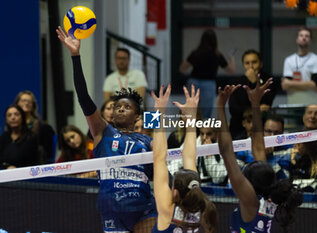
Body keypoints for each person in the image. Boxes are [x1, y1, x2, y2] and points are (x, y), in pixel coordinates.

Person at [56, 26, 156, 232]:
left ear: (137, 115)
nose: (119, 109)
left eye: (126, 107)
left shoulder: (147, 140)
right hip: (113, 210)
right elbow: (83, 98)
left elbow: (161, 170)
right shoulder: (103, 131)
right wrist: (75, 56)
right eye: (117, 106)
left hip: (144, 208)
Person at [217, 82, 303, 233]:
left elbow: (226, 151)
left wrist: (220, 106)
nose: (241, 174)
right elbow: (258, 146)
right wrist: (255, 105)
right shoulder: (267, 194)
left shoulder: (249, 201)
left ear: (248, 184)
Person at [151, 84, 217, 233]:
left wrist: (157, 112)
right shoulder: (200, 210)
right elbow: (188, 157)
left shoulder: (168, 211)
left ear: (174, 193)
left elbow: (158, 158)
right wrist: (192, 117)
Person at [179, 29, 235, 119]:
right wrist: (231, 57)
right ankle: (203, 131)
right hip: (208, 83)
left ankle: (190, 130)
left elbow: (182, 68)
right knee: (205, 113)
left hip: (194, 81)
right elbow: (231, 70)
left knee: (191, 110)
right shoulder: (217, 54)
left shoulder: (196, 53)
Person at [228, 49, 278, 139]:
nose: (251, 66)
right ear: (243, 65)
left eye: (254, 62)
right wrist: (256, 109)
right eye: (247, 63)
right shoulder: (237, 82)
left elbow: (266, 103)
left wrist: (254, 82)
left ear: (261, 63)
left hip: (261, 127)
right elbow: (233, 109)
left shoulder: (269, 80)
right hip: (239, 127)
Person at [282, 26, 317, 105]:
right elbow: (285, 86)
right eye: (301, 35)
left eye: (307, 36)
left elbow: (314, 84)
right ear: (297, 39)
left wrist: (291, 83)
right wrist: (308, 85)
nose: (304, 38)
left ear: (310, 40)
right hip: (293, 104)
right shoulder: (289, 60)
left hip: (312, 105)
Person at [14, 90, 55, 164]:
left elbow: (48, 155)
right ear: (17, 103)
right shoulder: (11, 126)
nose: (26, 103)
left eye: (29, 101)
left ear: (33, 105)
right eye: (23, 100)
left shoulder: (43, 128)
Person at [0, 105, 38, 169]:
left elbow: (32, 162)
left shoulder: (31, 137)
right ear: (6, 120)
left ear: (22, 117)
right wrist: (7, 166)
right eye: (9, 115)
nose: (13, 118)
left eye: (16, 114)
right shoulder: (3, 137)